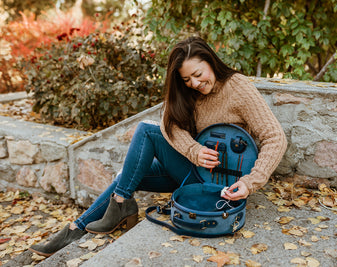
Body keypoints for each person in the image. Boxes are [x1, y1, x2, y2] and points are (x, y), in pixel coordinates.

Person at [29, 36, 287, 257]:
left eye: (198, 74)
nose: (194, 84)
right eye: (186, 79)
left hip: (224, 183)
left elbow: (276, 137)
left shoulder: (237, 87)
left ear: (211, 61)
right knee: (126, 180)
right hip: (194, 173)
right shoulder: (189, 93)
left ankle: (118, 206)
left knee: (145, 133)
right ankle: (76, 229)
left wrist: (251, 181)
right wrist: (194, 151)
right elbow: (169, 125)